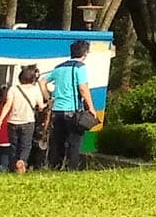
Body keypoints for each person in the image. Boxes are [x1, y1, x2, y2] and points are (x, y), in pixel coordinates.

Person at [44, 41, 100, 171]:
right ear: (85, 53)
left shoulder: (59, 67)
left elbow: (42, 81)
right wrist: (91, 107)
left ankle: (54, 168)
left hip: (57, 110)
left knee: (57, 143)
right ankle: (72, 169)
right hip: (72, 111)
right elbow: (83, 88)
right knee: (74, 143)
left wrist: (48, 97)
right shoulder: (80, 67)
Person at [6, 64, 45, 172]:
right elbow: (41, 107)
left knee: (14, 146)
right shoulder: (35, 90)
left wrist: (0, 121)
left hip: (12, 121)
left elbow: (8, 105)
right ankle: (22, 161)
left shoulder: (13, 89)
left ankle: (13, 167)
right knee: (26, 145)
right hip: (28, 122)